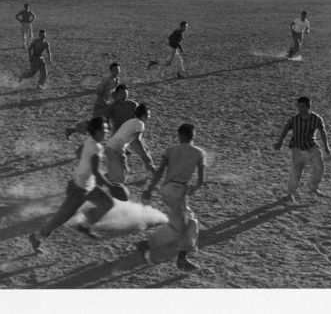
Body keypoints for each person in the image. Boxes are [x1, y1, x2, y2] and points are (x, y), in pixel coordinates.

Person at [28, 116, 125, 252]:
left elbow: (79, 153)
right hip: (79, 189)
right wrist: (111, 186)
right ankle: (36, 237)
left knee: (107, 204)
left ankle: (84, 225)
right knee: (60, 219)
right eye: (104, 129)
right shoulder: (96, 148)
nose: (107, 131)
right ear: (96, 131)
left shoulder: (90, 141)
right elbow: (97, 172)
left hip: (87, 186)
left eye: (107, 129)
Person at [137, 123, 205, 271]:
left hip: (167, 190)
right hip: (179, 191)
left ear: (179, 135)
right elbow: (200, 179)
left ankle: (180, 257)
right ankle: (152, 246)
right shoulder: (198, 153)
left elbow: (160, 172)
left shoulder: (170, 150)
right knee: (185, 225)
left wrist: (150, 188)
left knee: (187, 223)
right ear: (193, 136)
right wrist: (195, 187)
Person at [275, 97, 331, 204]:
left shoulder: (316, 118)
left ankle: (313, 187)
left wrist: (326, 146)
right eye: (298, 106)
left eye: (302, 106)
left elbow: (322, 132)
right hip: (297, 148)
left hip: (312, 146)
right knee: (296, 171)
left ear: (308, 107)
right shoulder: (294, 119)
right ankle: (290, 194)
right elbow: (285, 129)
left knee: (319, 167)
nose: (300, 109)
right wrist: (280, 142)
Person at [104, 104, 156, 188]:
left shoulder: (131, 121)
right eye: (148, 115)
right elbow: (136, 141)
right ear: (143, 115)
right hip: (115, 150)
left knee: (118, 175)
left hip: (110, 148)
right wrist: (145, 157)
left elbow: (132, 141)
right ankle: (97, 182)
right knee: (120, 179)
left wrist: (145, 154)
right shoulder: (140, 124)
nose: (149, 117)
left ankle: (98, 181)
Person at [65, 62, 121, 139]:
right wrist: (104, 99)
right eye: (115, 70)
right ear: (111, 70)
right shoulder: (107, 80)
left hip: (108, 105)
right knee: (94, 124)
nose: (117, 71)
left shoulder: (117, 80)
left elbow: (113, 93)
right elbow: (98, 90)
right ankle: (71, 130)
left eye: (118, 70)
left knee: (106, 124)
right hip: (101, 105)